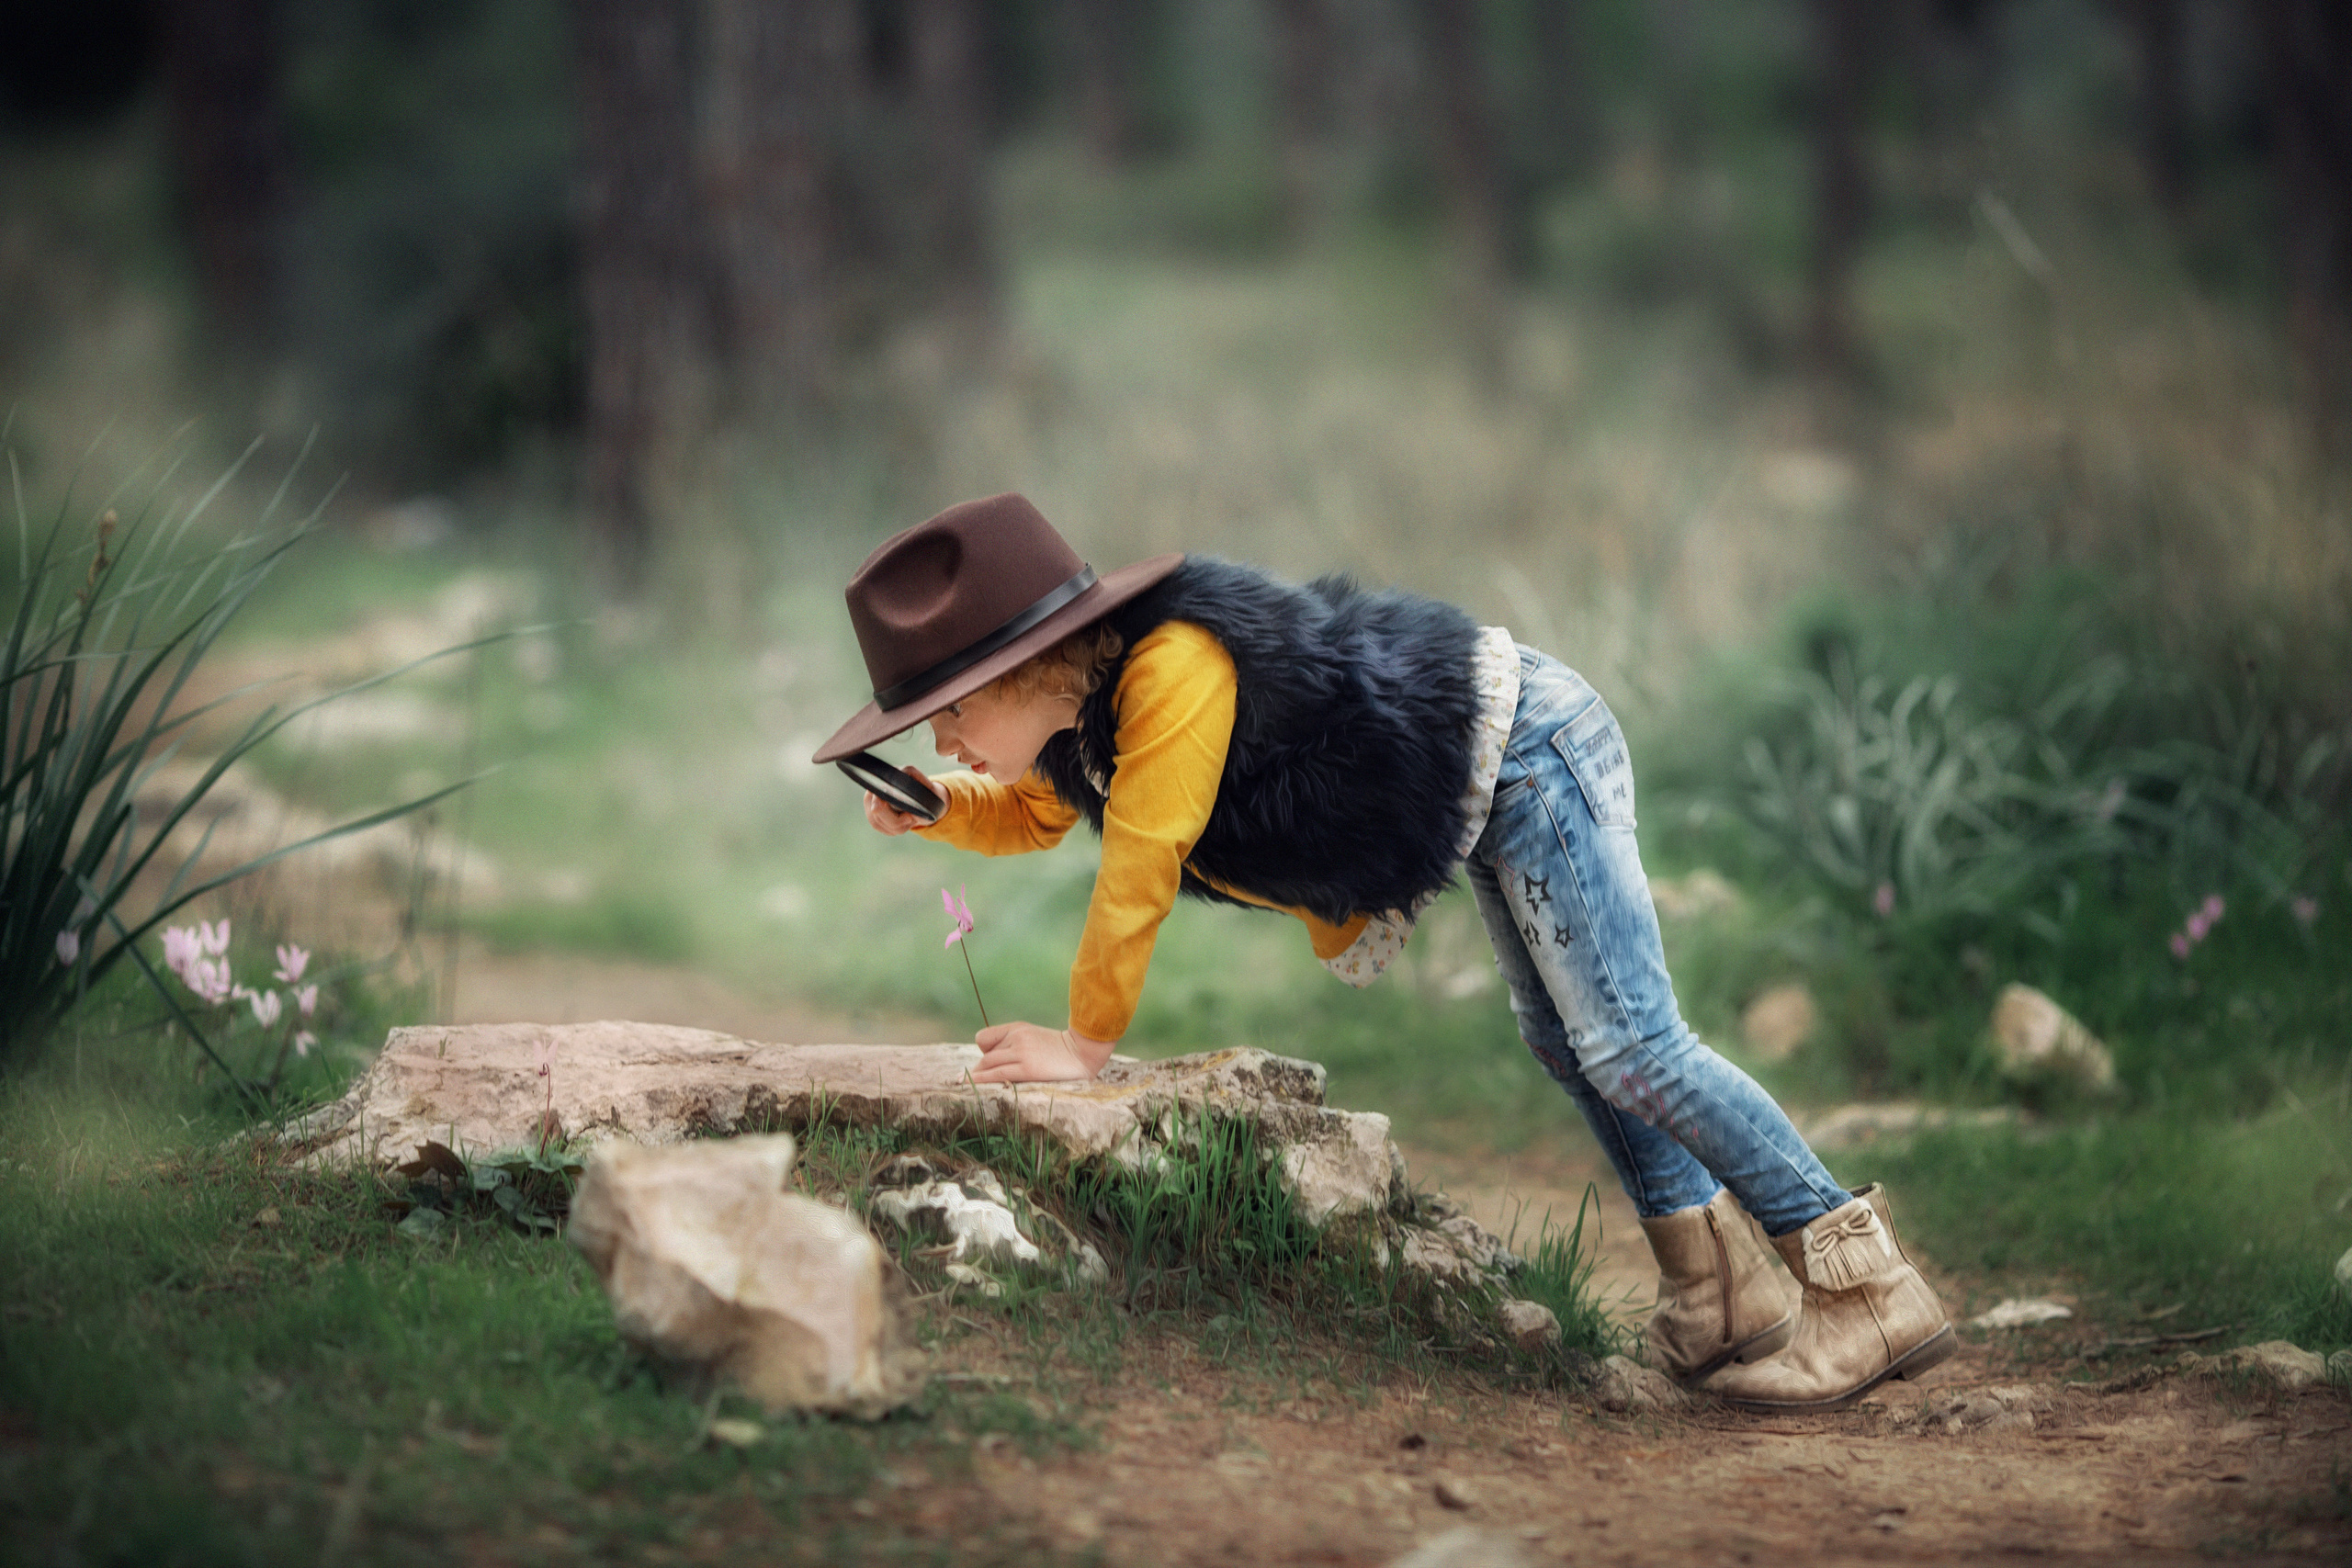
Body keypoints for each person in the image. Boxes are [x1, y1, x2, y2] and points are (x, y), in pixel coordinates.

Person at [814, 492, 1955, 1412]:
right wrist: (940, 804)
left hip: (1528, 747)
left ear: (1026, 667)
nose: (942, 739)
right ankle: (1714, 1293)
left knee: (1633, 1045)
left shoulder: (1170, 674)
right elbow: (1031, 815)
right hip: (1486, 787)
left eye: (949, 714)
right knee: (1566, 1045)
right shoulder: (1076, 728)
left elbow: (1142, 862)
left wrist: (1084, 1044)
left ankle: (1863, 1285)